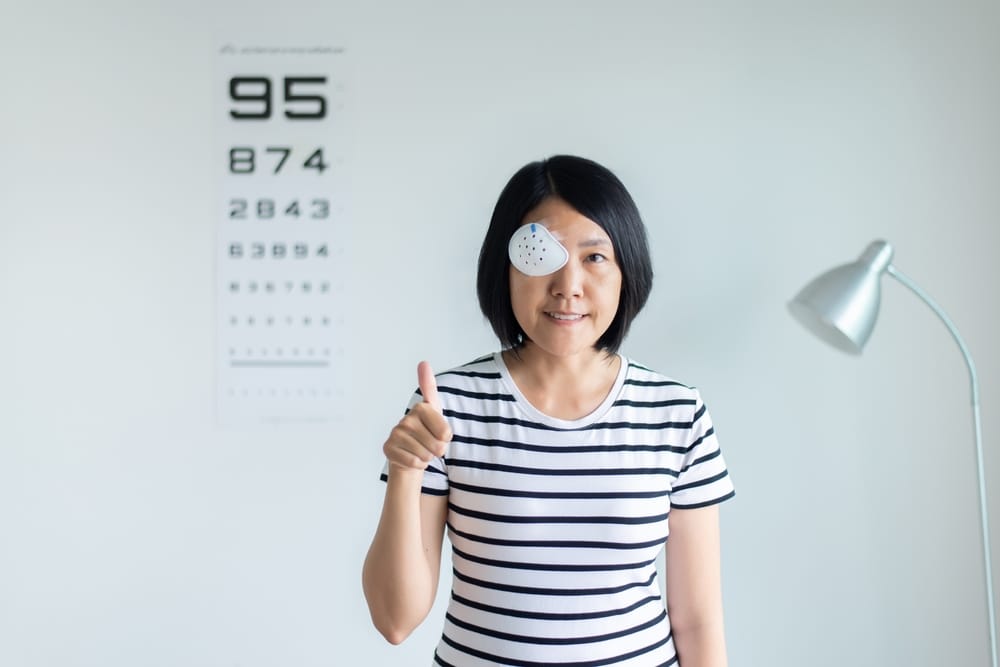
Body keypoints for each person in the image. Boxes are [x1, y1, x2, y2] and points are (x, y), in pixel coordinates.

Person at [362, 155, 735, 666]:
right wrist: (405, 472)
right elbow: (395, 620)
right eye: (540, 254)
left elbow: (697, 620)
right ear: (505, 268)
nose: (568, 285)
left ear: (628, 268)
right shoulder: (445, 408)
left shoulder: (676, 413)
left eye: (594, 257)